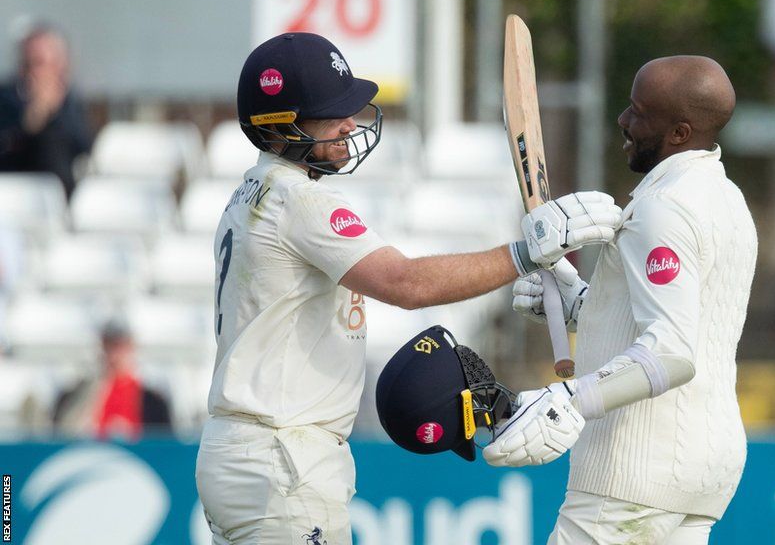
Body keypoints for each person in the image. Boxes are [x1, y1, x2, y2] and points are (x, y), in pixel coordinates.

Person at [194, 31, 621, 545]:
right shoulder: (297, 201)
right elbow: (406, 283)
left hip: (244, 452)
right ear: (283, 124)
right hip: (281, 458)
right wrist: (527, 251)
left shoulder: (251, 194)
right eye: (333, 112)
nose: (350, 124)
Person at [487, 55, 758, 545]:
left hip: (636, 466)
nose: (623, 121)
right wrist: (578, 304)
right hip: (703, 470)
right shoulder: (726, 198)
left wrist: (568, 399)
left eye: (638, 111)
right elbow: (676, 319)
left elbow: (672, 353)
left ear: (678, 132)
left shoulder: (663, 208)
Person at [0, 24, 92, 198]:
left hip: (56, 196)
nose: (31, 72)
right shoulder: (6, 98)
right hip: (11, 191)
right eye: (26, 64)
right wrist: (34, 116)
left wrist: (53, 112)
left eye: (39, 63)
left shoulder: (70, 103)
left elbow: (83, 146)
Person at [53, 320, 172, 440]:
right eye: (109, 347)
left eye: (121, 347)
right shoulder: (75, 396)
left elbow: (164, 445)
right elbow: (63, 433)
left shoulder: (154, 403)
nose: (115, 355)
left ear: (133, 349)